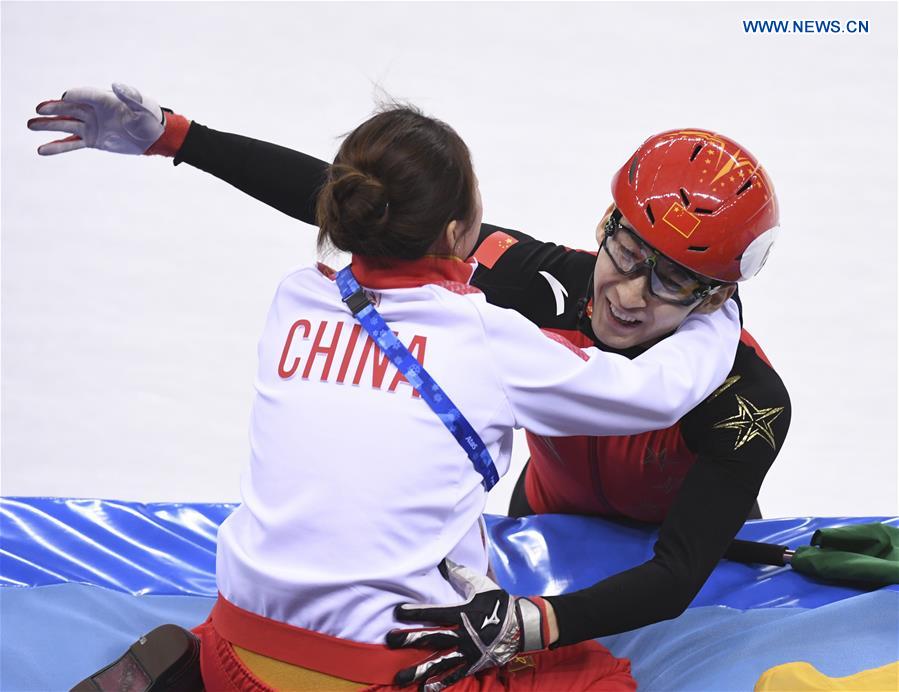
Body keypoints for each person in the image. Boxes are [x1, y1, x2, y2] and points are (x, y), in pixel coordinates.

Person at [30, 86, 741, 691]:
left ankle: (190, 671)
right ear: (463, 230)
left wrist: (176, 137)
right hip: (383, 671)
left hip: (236, 644)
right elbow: (657, 393)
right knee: (596, 677)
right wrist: (717, 306)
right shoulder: (484, 339)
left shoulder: (294, 299)